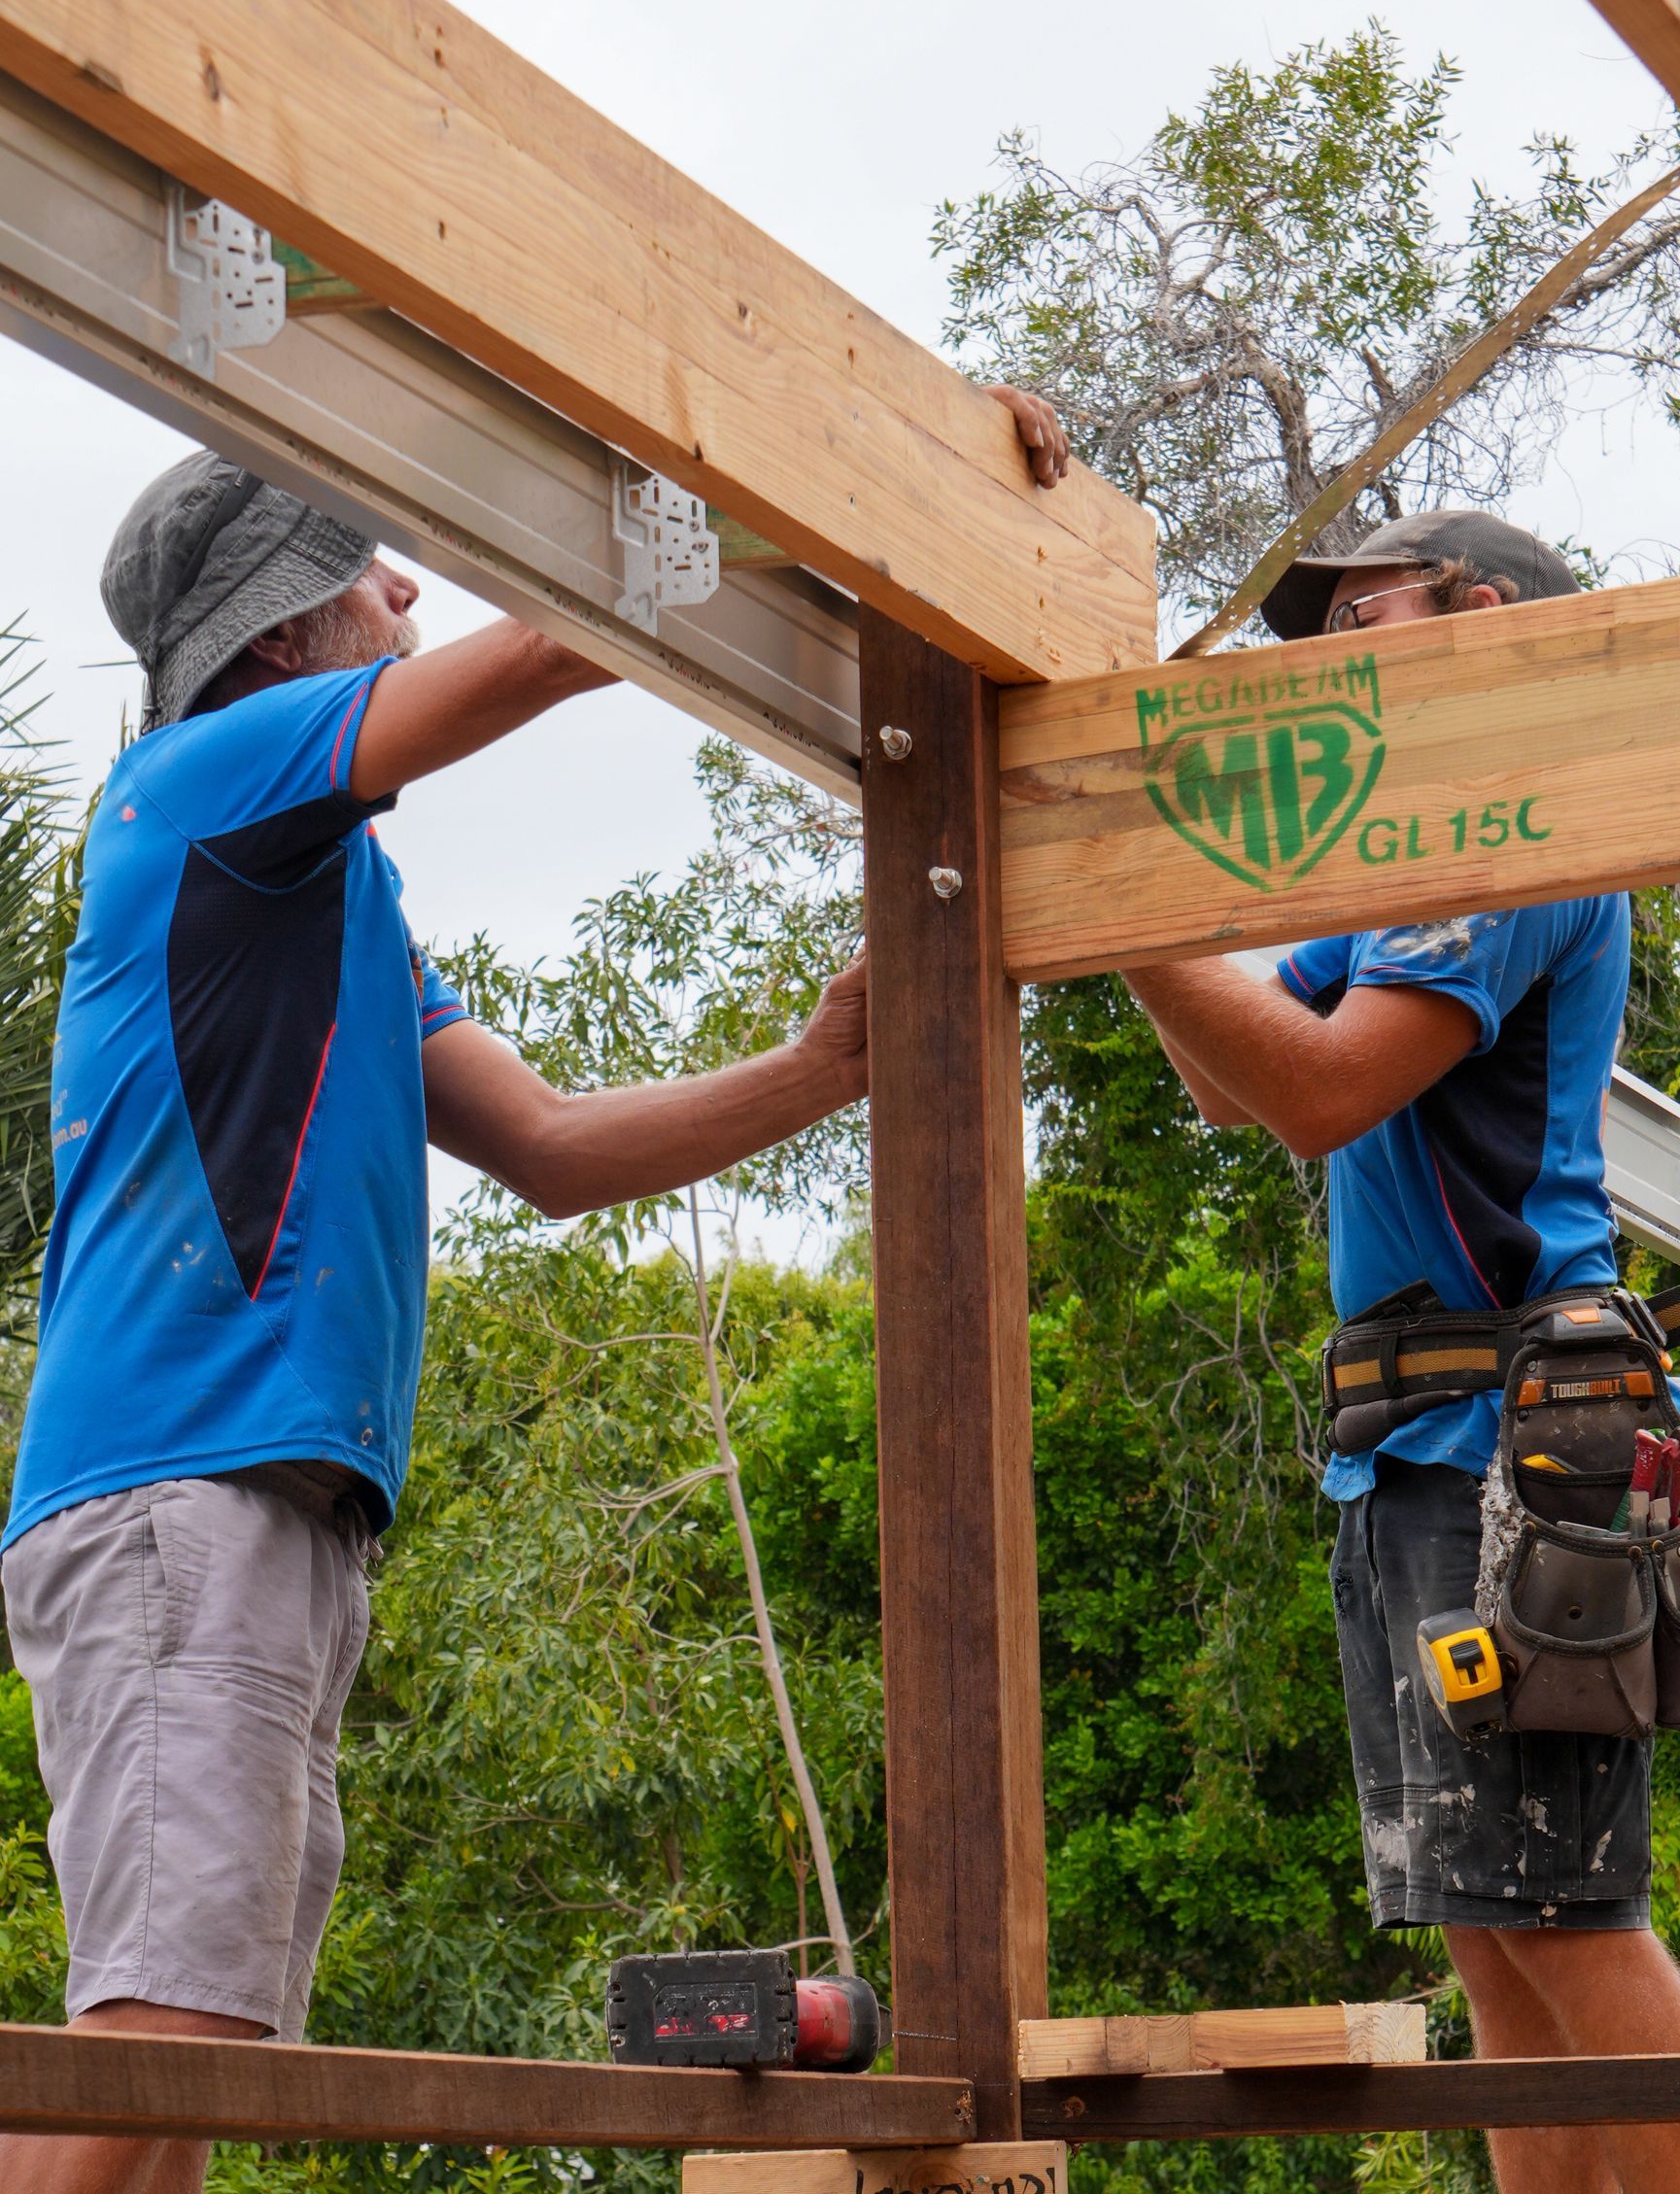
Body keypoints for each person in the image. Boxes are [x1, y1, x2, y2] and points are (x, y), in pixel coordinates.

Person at [0, 385, 1070, 2194]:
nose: (406, 593)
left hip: (252, 1501)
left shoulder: (324, 884)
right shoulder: (198, 785)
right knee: (169, 2037)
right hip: (184, 1487)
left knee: (196, 2053)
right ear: (282, 631)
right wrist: (860, 464)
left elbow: (557, 1149)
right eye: (369, 573)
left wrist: (825, 1063)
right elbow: (557, 655)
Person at [1123, 510, 1680, 2194]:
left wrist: (1113, 892)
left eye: (1359, 619)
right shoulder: (1402, 874)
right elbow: (1229, 1079)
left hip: (1516, 1452)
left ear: (1479, 618)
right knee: (1494, 1936)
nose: (1324, 661)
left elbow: (1319, 1090)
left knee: (1569, 1916)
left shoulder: (1512, 844)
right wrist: (1135, 912)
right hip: (1419, 1449)